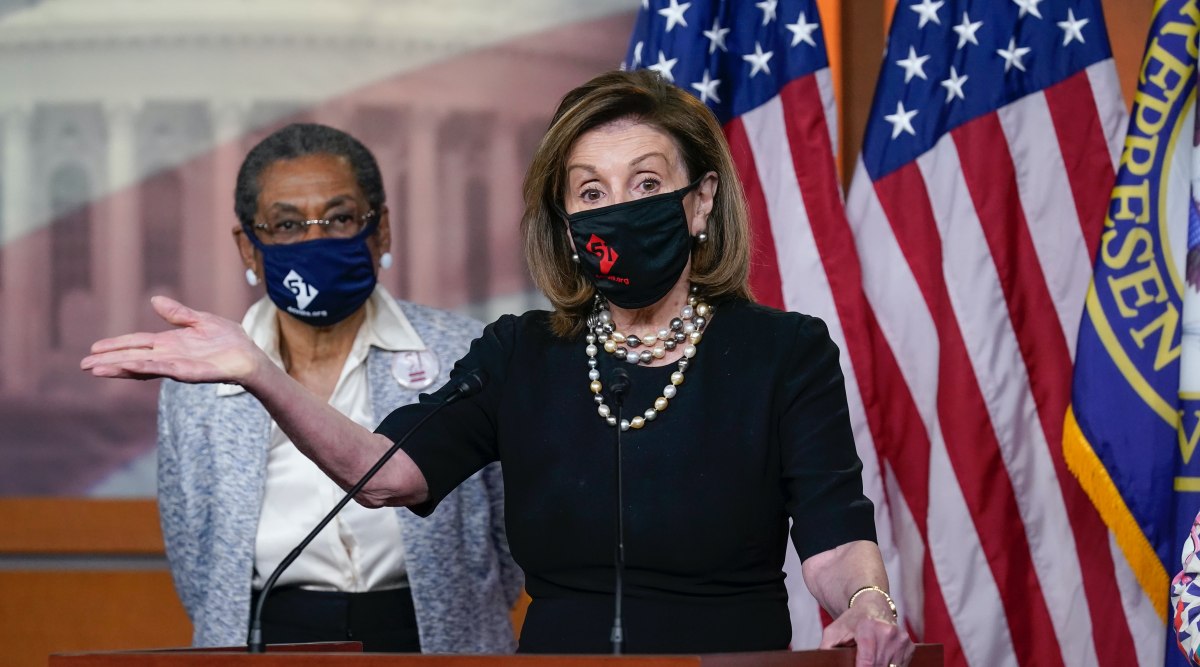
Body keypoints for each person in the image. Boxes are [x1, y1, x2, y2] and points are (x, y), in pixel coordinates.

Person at [83, 71, 913, 665]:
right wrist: (261, 372)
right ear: (566, 221)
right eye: (591, 192)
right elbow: (384, 474)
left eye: (645, 182)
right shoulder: (522, 352)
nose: (617, 209)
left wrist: (867, 604)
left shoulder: (784, 352)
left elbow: (834, 535)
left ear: (699, 203)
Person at [153, 123, 522, 653]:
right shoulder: (200, 385)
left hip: (435, 638)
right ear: (249, 248)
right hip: (268, 639)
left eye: (340, 218)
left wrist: (461, 621)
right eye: (287, 224)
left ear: (381, 230)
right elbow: (197, 563)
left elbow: (508, 541)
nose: (315, 242)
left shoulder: (462, 351)